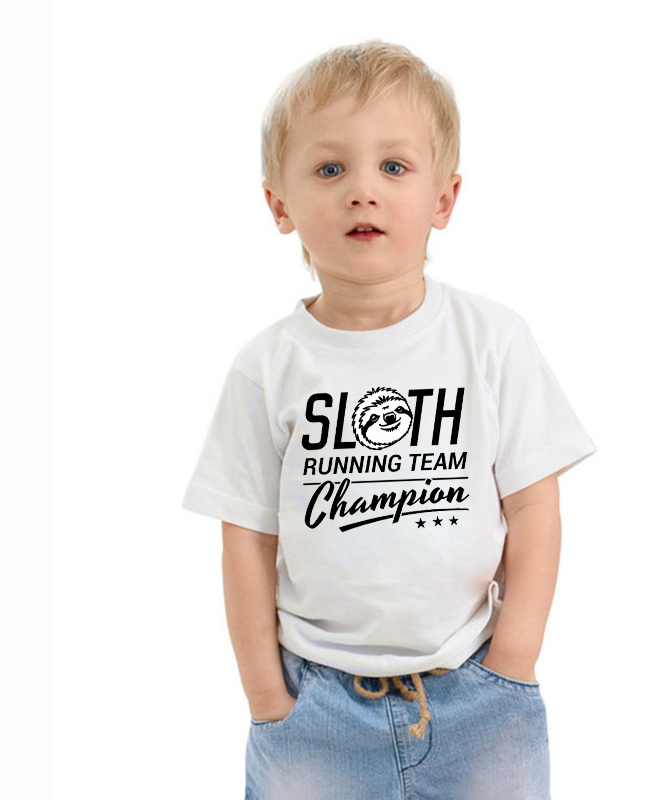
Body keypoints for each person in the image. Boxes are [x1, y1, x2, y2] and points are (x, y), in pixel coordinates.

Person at [181, 38, 596, 800]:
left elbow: (534, 505)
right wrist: (267, 698)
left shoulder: (492, 341)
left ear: (444, 199)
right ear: (279, 204)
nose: (362, 191)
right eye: (329, 169)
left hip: (476, 690)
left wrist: (515, 658)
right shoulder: (267, 368)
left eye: (394, 167)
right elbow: (246, 538)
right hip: (316, 705)